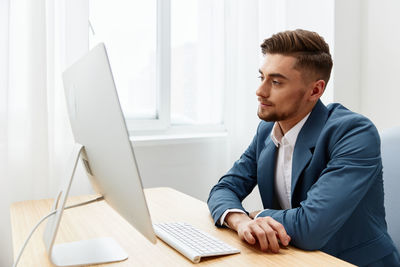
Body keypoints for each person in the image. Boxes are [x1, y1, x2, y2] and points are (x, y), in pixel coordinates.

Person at [207, 29, 400, 266]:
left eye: (276, 82)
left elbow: (311, 227)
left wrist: (259, 215)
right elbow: (225, 188)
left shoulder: (353, 132)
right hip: (292, 257)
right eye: (262, 78)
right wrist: (241, 221)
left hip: (348, 261)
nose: (260, 91)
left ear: (315, 90)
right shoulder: (267, 130)